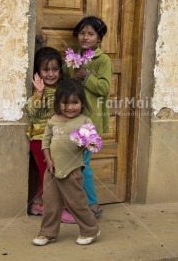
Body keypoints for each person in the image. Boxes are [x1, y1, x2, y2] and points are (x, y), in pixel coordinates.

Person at [32, 79, 100, 246]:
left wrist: (84, 143)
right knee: (51, 204)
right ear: (58, 103)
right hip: (52, 170)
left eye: (74, 103)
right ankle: (48, 233)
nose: (70, 107)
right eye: (65, 103)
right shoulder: (53, 120)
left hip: (72, 170)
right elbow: (45, 141)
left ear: (82, 103)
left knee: (76, 202)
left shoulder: (85, 122)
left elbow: (93, 145)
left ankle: (90, 229)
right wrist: (48, 160)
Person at [63, 16, 113, 218]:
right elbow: (65, 85)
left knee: (83, 164)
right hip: (71, 118)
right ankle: (73, 203)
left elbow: (104, 88)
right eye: (82, 33)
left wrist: (86, 76)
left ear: (99, 39)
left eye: (91, 34)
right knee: (71, 163)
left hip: (89, 122)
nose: (85, 37)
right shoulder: (71, 59)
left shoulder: (103, 61)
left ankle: (92, 204)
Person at [26, 46, 63, 216]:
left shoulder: (60, 90)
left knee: (50, 173)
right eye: (46, 69)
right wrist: (38, 95)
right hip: (40, 140)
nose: (50, 74)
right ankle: (52, 209)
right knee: (48, 175)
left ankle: (37, 204)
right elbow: (32, 111)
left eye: (55, 69)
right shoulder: (39, 91)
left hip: (55, 140)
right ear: (38, 72)